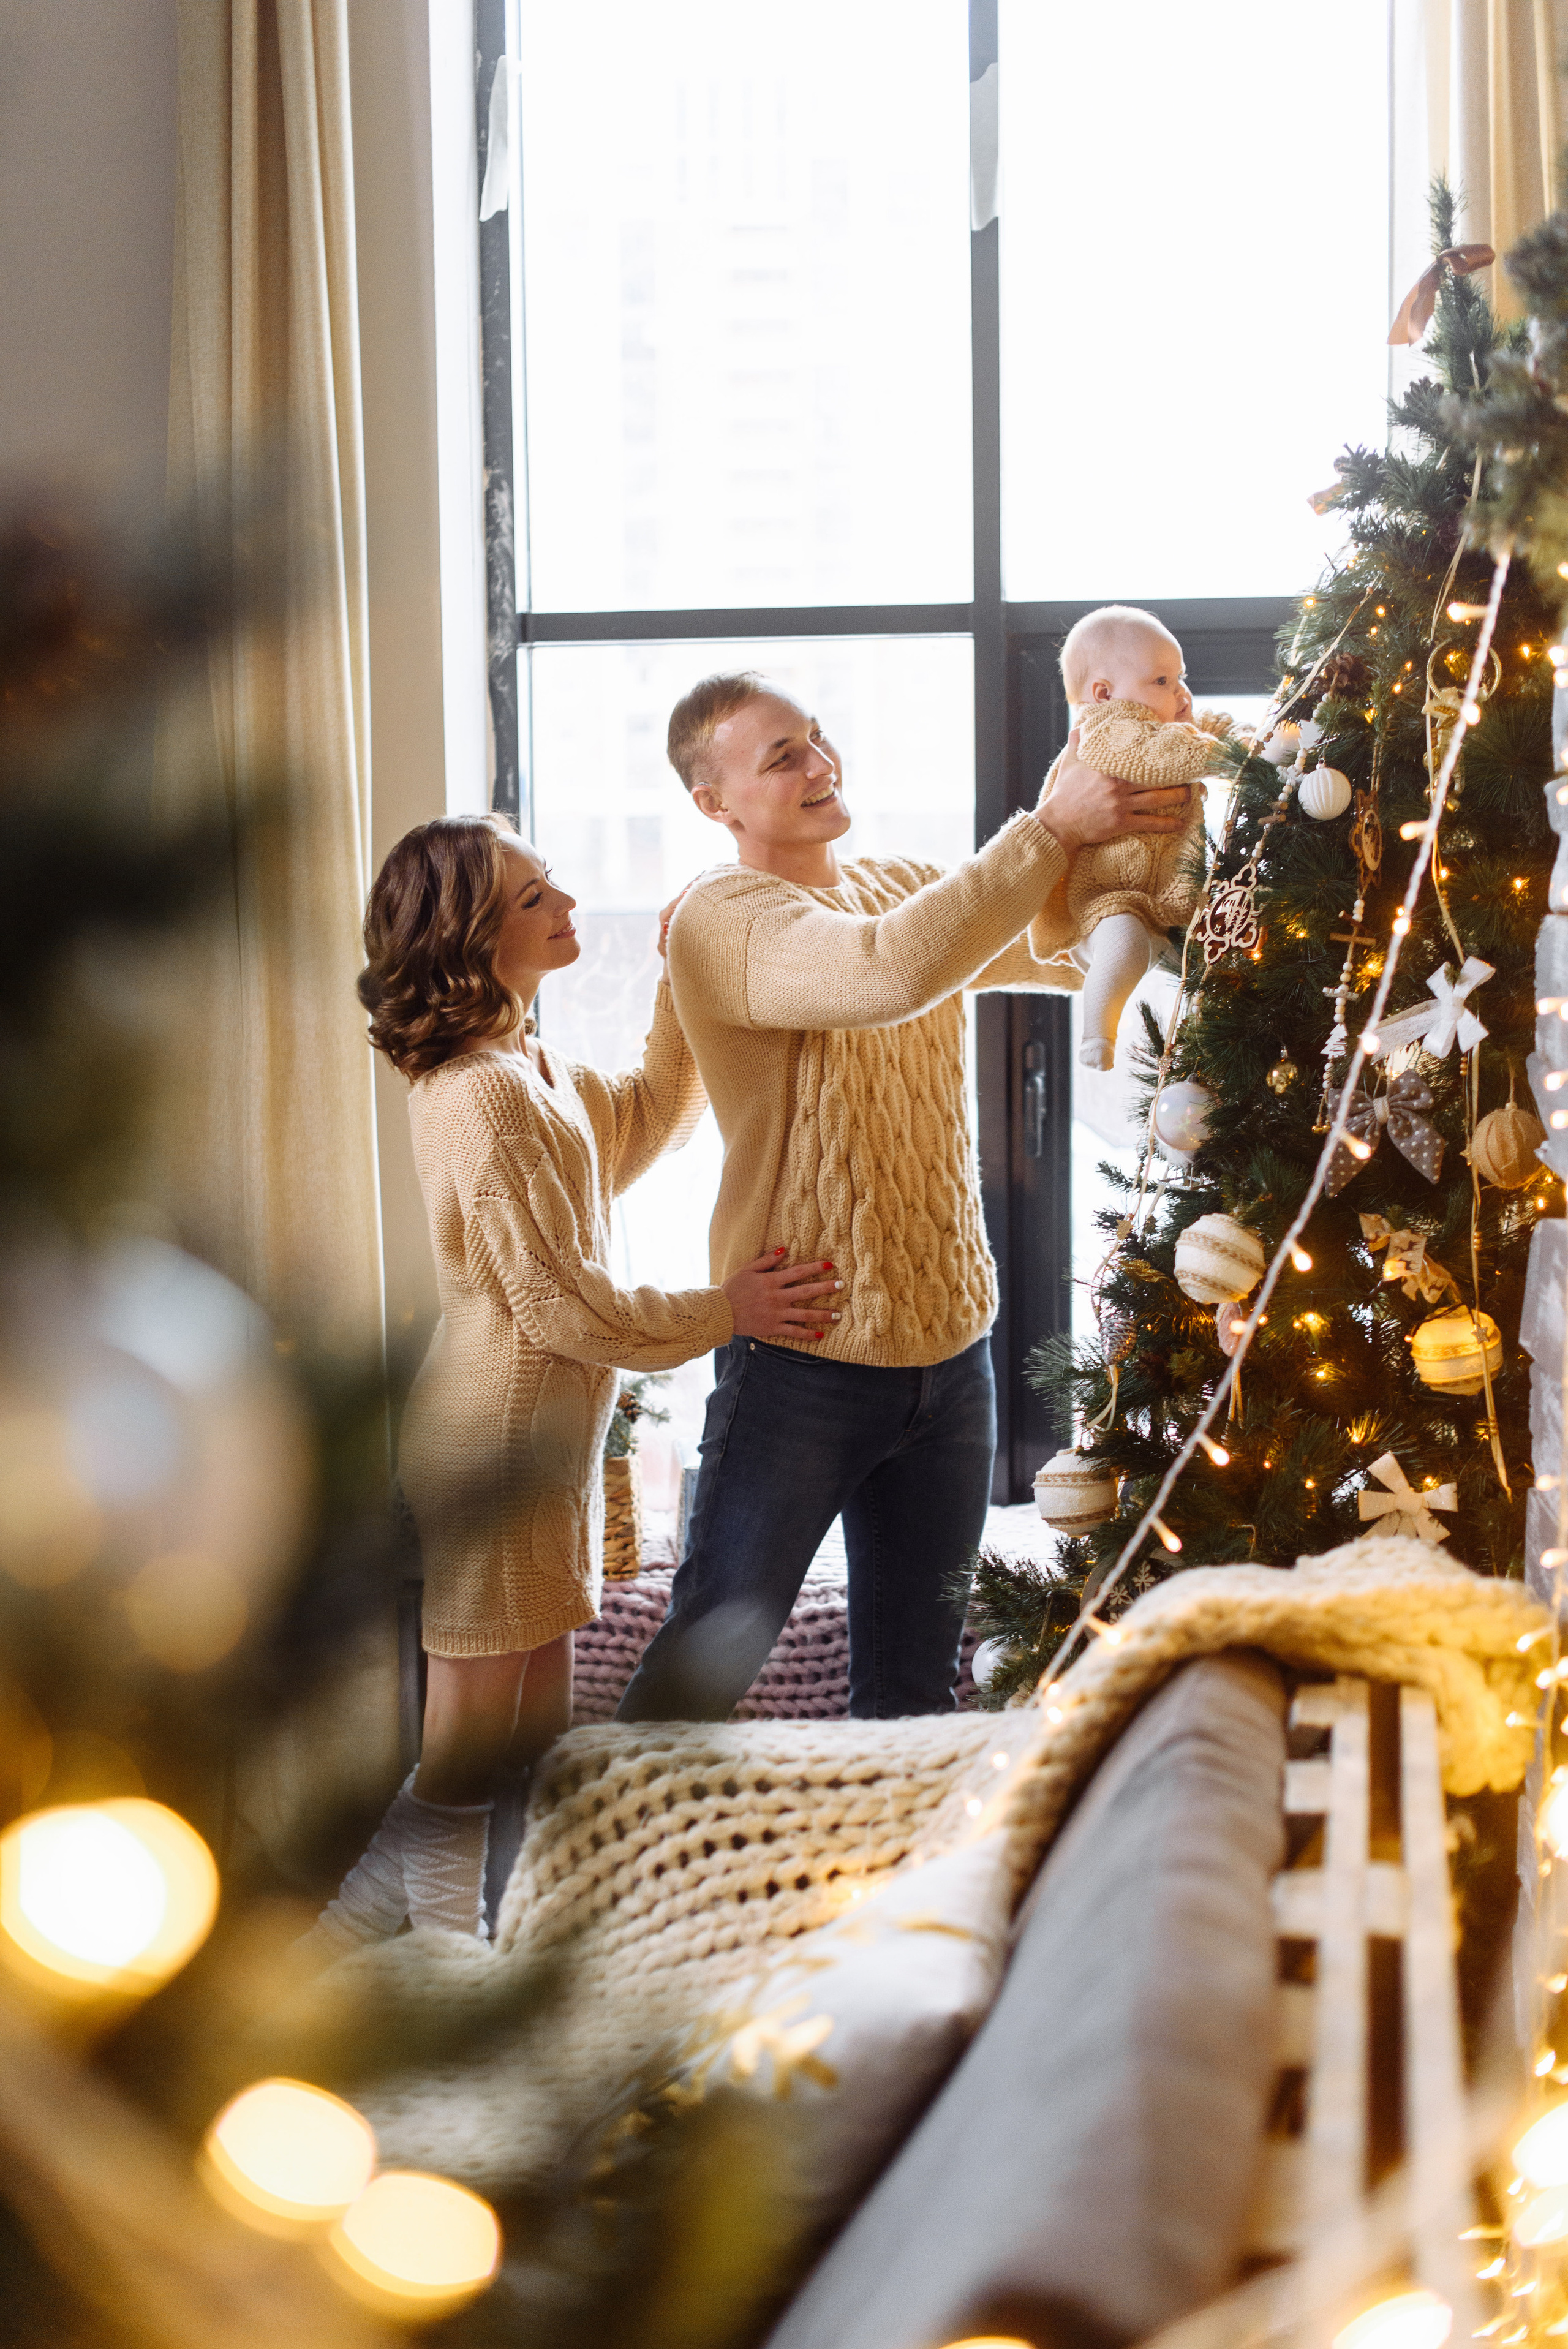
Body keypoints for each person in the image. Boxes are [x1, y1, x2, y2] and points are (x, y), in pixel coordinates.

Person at [615, 673, 1194, 1727]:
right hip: (803, 1356)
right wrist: (1046, 825)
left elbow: (1061, 940)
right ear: (716, 804)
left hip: (950, 1350)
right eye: (781, 756)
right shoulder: (722, 917)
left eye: (817, 737)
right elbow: (888, 972)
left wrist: (1151, 844)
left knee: (915, 1692)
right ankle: (580, 1878)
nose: (819, 764)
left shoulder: (900, 881)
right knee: (704, 1664)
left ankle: (898, 1893)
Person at [304, 813, 836, 1951]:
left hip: (543, 1455)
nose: (565, 903)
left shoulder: (529, 1066)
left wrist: (682, 965)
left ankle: (499, 1945)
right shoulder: (477, 1094)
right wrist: (725, 1312)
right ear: (472, 933)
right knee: (467, 1741)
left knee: (533, 1733)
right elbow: (563, 1305)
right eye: (536, 895)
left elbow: (651, 1109)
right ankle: (423, 1959)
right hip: (491, 1452)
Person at [1036, 606, 1229, 1070]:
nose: (1180, 691)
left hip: (1165, 900)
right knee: (1123, 944)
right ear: (1103, 694)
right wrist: (1233, 756)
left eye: (1180, 677)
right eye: (1161, 682)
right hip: (1107, 897)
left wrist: (1258, 740)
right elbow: (1161, 755)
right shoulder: (1102, 734)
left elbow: (1215, 730)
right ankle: (1097, 1034)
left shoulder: (1175, 732)